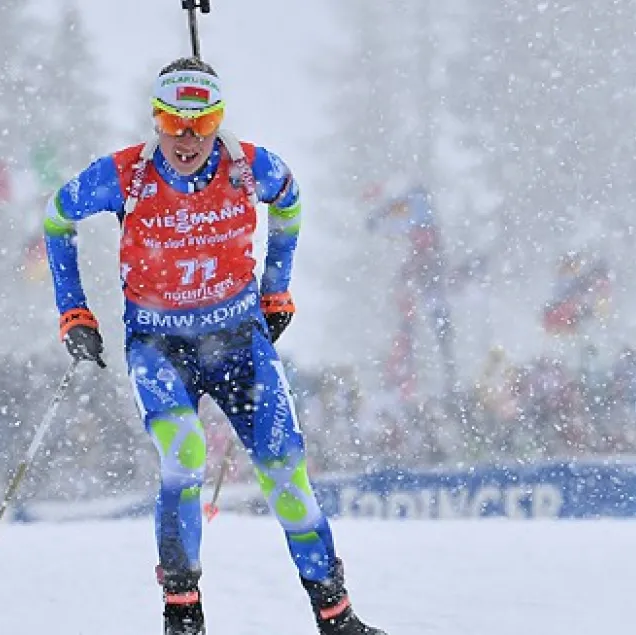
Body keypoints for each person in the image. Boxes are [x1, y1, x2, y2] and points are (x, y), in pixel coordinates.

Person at [42, 57, 386, 635]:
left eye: (203, 124)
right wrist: (73, 311)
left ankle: (335, 614)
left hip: (238, 343)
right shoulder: (126, 175)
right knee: (184, 456)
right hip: (159, 347)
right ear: (155, 119)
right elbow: (57, 218)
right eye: (174, 123)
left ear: (219, 120)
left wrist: (277, 290)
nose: (187, 139)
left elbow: (291, 202)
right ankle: (182, 615)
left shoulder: (251, 168)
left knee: (285, 472)